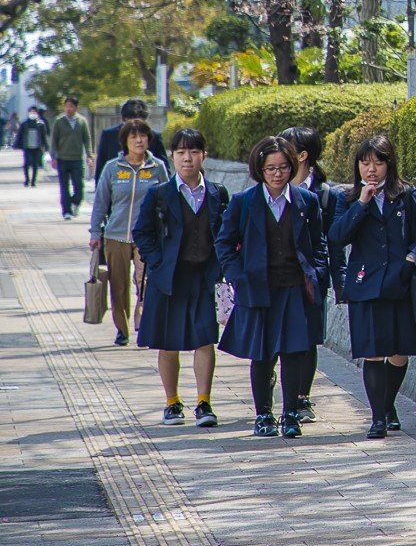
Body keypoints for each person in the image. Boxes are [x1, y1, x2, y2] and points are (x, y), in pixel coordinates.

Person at [216, 135, 326, 438]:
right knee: (262, 354)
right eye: (270, 169)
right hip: (257, 287)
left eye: (283, 167)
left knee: (294, 352)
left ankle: (290, 414)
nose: (277, 174)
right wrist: (238, 275)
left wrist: (317, 273)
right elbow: (224, 244)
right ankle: (263, 414)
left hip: (294, 288)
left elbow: (319, 244)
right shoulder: (244, 202)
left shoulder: (306, 201)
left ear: (292, 166)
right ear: (259, 170)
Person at [330, 134, 416, 440]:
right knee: (374, 353)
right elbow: (337, 237)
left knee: (399, 353)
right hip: (366, 286)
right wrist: (363, 203)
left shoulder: (406, 196)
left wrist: (410, 258)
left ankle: (387, 405)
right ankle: (378, 418)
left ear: (390, 163)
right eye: (365, 162)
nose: (372, 169)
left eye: (378, 161)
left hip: (400, 284)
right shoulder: (348, 198)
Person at [132, 129, 228, 427]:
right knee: (167, 341)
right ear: (172, 157)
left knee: (205, 339)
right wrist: (158, 261)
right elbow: (141, 233)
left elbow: (225, 233)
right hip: (168, 279)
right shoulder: (159, 194)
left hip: (202, 277)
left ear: (204, 155)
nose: (188, 158)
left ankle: (204, 402)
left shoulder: (217, 193)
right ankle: (172, 402)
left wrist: (221, 267)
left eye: (194, 151)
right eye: (182, 152)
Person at [279, 125, 343, 423]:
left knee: (308, 339)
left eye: (287, 147)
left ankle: (302, 398)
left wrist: (325, 276)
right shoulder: (272, 184)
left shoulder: (325, 195)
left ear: (302, 155)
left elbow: (332, 242)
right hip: (277, 277)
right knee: (277, 337)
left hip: (310, 279)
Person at [89, 119, 169, 346]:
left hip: (147, 238)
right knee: (119, 286)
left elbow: (167, 202)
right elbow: (101, 203)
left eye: (143, 136)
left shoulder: (158, 167)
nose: (139, 140)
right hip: (115, 236)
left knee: (146, 283)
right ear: (125, 140)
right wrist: (95, 233)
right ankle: (122, 329)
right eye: (133, 136)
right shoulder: (112, 168)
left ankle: (143, 324)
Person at [94, 99, 168, 182]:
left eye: (139, 122)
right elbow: (100, 168)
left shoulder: (154, 137)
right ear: (124, 119)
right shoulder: (109, 135)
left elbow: (165, 169)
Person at [49, 96, 94, 220]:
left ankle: (75, 202)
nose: (69, 109)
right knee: (64, 187)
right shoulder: (59, 121)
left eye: (71, 106)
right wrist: (53, 157)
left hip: (77, 159)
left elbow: (87, 139)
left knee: (79, 186)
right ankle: (66, 211)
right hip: (62, 159)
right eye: (67, 106)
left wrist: (89, 155)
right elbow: (54, 140)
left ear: (76, 107)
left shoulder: (82, 121)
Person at [13, 105, 49, 187]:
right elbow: (20, 135)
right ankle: (27, 180)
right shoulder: (24, 124)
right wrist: (16, 144)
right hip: (27, 147)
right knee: (26, 164)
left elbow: (44, 136)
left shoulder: (41, 124)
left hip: (37, 147)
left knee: (35, 164)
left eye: (34, 112)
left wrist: (46, 146)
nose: (32, 114)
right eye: (31, 112)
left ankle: (33, 181)